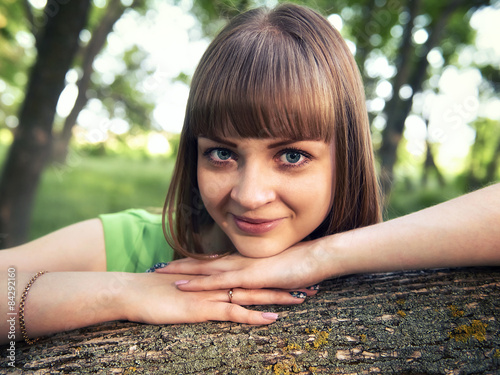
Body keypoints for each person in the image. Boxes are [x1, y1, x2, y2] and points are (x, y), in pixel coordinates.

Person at [1, 3, 499, 346]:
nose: (249, 194)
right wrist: (125, 291)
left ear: (344, 156)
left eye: (292, 156)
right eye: (221, 153)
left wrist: (321, 257)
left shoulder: (399, 250)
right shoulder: (137, 240)